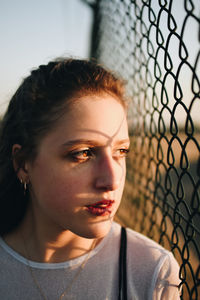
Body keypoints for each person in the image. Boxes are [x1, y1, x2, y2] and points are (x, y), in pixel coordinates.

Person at [0, 58, 181, 299]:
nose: (112, 180)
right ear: (23, 163)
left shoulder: (152, 272)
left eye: (121, 151)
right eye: (83, 153)